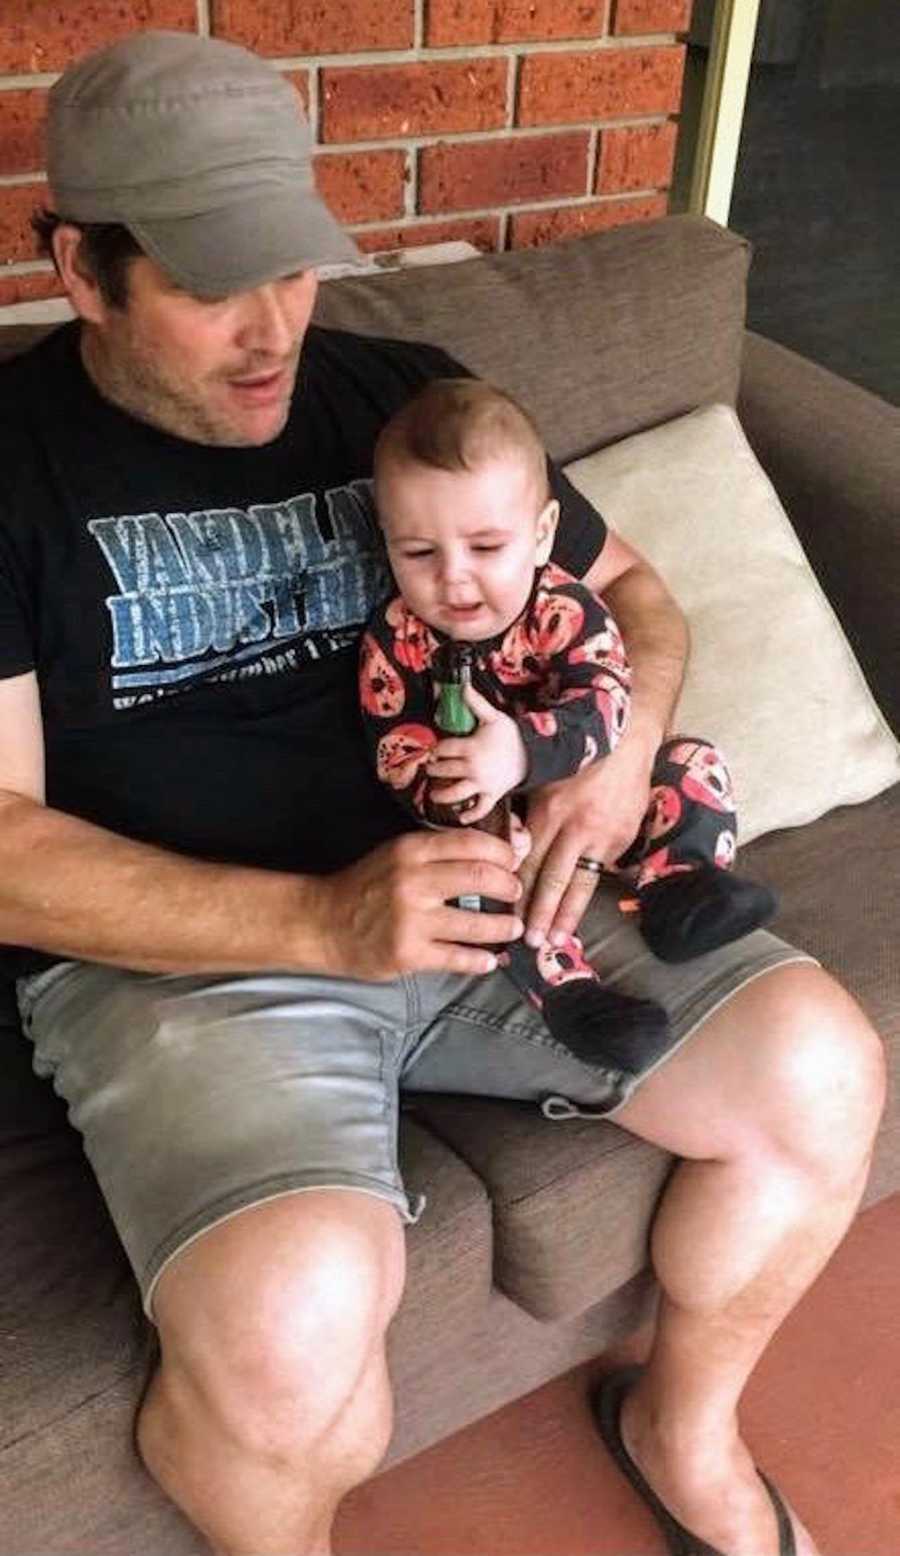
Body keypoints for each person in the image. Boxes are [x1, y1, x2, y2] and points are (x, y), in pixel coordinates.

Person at [0, 28, 883, 1556]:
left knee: (820, 1070)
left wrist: (605, 768)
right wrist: (326, 920)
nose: (273, 328)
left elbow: (638, 599)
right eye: (212, 287)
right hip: (197, 964)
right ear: (83, 268)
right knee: (295, 1330)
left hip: (499, 881)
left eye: (288, 269)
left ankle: (684, 1430)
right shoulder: (6, 474)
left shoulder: (400, 399)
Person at [360, 376, 777, 1097]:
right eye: (419, 553)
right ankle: (570, 996)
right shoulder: (395, 642)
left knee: (692, 761)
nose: (454, 581)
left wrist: (525, 750)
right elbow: (397, 755)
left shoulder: (563, 606)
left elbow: (610, 695)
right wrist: (464, 790)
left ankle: (681, 888)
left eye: (487, 546)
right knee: (474, 882)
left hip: (596, 780)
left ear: (543, 534)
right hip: (502, 830)